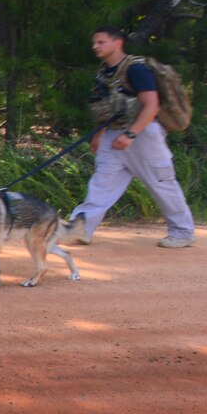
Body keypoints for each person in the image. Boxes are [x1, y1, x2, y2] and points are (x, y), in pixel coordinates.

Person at [69, 25, 195, 249]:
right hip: (113, 134)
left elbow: (151, 105)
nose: (95, 46)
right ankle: (81, 229)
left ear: (117, 43)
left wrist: (131, 134)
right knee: (101, 184)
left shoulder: (136, 70)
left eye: (101, 42)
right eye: (94, 43)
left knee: (161, 183)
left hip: (143, 135)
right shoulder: (104, 72)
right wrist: (99, 135)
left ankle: (182, 232)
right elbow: (104, 108)